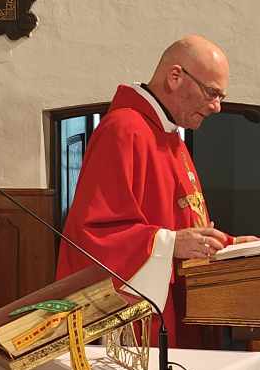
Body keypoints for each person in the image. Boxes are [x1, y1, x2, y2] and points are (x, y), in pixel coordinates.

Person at [57, 35, 235, 340]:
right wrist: (170, 244)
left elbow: (184, 224)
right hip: (138, 319)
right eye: (211, 93)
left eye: (221, 96)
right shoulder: (124, 130)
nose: (217, 107)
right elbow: (93, 235)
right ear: (175, 76)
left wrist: (230, 245)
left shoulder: (169, 135)